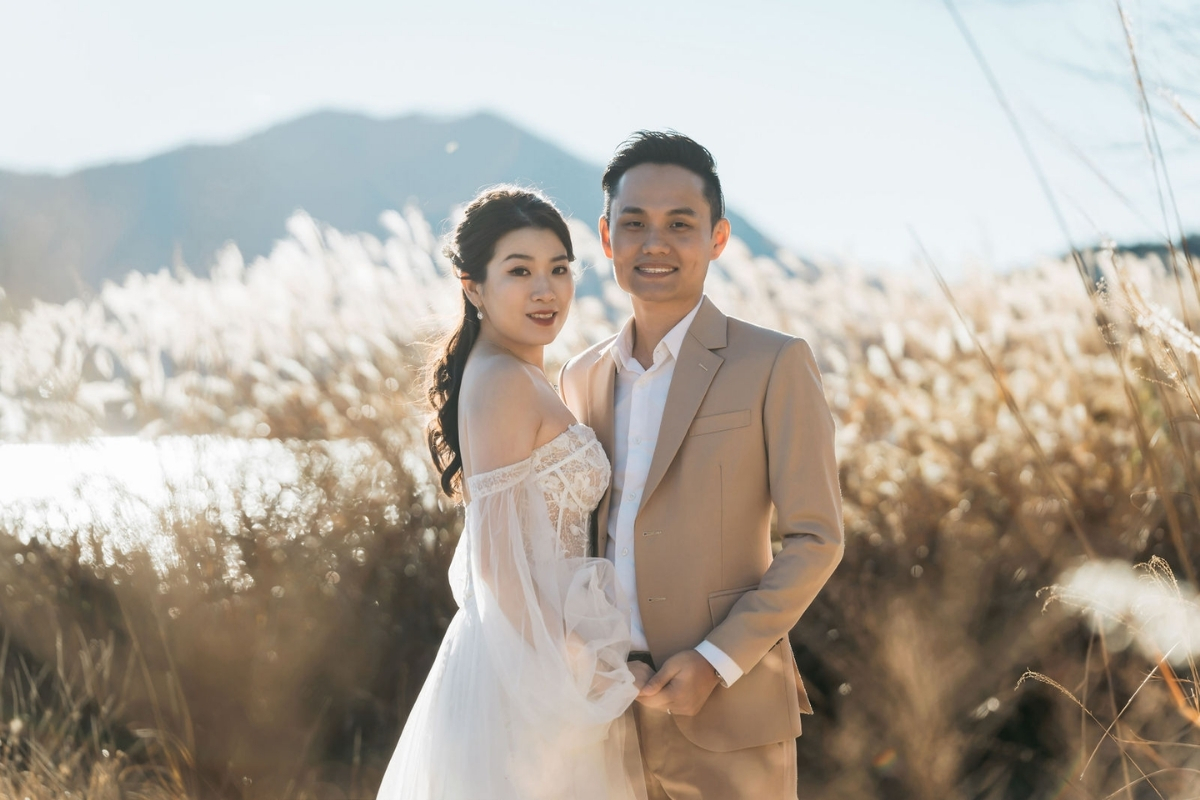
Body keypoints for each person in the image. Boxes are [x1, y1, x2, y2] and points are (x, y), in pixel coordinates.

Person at [559, 132, 844, 799]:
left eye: (679, 224)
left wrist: (716, 661)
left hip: (731, 713)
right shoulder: (579, 377)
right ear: (606, 238)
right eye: (634, 224)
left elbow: (817, 539)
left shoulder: (773, 362)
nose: (654, 243)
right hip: (604, 715)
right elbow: (576, 539)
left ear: (717, 238)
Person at [376, 187, 649, 800]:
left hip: (539, 646)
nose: (545, 290)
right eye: (519, 271)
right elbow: (495, 560)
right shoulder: (501, 380)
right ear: (474, 287)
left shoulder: (524, 373)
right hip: (529, 662)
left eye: (558, 269)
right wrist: (566, 667)